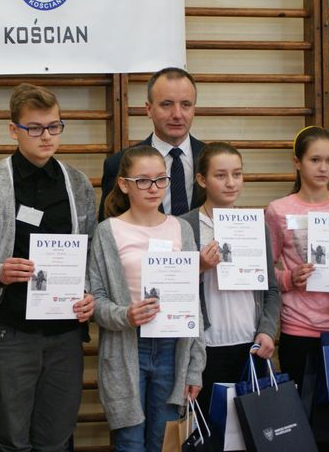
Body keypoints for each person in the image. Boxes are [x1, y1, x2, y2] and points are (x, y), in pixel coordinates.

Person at [0, 83, 96, 452]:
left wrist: (88, 294)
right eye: (35, 128)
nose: (47, 136)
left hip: (64, 333)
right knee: (11, 440)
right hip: (11, 330)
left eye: (54, 126)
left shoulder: (78, 184)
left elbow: (88, 254)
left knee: (55, 439)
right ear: (14, 130)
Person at [88, 144, 204, 452]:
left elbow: (194, 301)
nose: (154, 188)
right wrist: (125, 315)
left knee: (164, 441)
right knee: (129, 441)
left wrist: (194, 367)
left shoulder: (181, 229)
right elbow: (95, 299)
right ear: (124, 184)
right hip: (128, 347)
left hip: (173, 348)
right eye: (143, 181)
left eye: (160, 179)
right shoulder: (108, 231)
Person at [265, 125, 329, 451]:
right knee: (298, 426)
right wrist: (289, 278)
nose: (323, 168)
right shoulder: (278, 210)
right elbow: (266, 272)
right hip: (298, 329)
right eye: (315, 160)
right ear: (297, 162)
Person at [179, 142, 280, 410]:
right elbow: (171, 287)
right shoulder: (184, 225)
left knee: (251, 426)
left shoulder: (256, 225)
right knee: (210, 426)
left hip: (251, 343)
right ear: (202, 180)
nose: (231, 183)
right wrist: (199, 266)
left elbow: (271, 289)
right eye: (220, 175)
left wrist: (267, 330)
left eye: (237, 174)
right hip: (206, 346)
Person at [100, 67, 205, 219]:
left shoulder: (212, 161)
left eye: (186, 104)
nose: (177, 114)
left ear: (194, 109)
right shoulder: (118, 164)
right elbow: (110, 224)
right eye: (167, 104)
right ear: (148, 109)